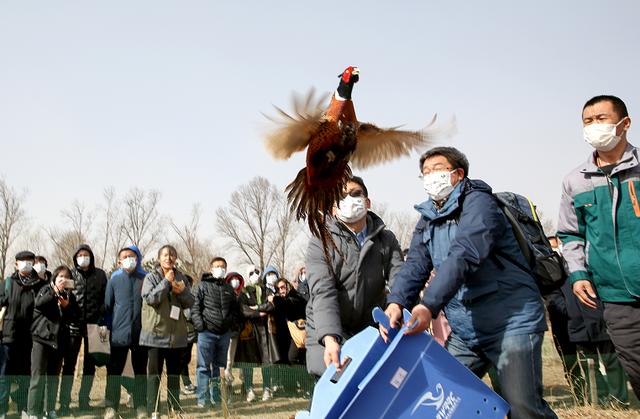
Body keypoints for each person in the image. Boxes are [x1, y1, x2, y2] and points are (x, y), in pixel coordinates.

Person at [382, 147, 556, 419]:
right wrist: (396, 301)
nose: (430, 176)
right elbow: (415, 263)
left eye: (437, 169)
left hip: (511, 320)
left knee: (523, 407)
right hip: (466, 329)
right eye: (425, 173)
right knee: (440, 401)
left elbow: (465, 253)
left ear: (458, 173)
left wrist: (428, 306)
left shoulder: (480, 204)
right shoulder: (427, 218)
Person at [558, 94, 640, 399]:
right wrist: (578, 275)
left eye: (601, 119)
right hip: (615, 295)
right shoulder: (575, 181)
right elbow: (570, 235)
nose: (594, 126)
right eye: (588, 122)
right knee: (635, 368)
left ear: (624, 124)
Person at [305, 175, 403, 377]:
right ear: (333, 208)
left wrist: (396, 306)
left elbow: (400, 277)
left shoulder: (386, 239)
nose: (349, 199)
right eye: (341, 196)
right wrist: (331, 338)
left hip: (370, 327)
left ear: (367, 202)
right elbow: (323, 291)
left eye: (355, 194)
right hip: (327, 328)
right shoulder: (320, 242)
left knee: (381, 383)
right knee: (339, 382)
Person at [140, 245, 194, 418]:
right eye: (165, 255)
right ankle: (153, 410)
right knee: (154, 376)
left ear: (175, 258)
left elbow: (190, 302)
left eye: (172, 255)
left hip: (176, 336)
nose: (168, 258)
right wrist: (166, 282)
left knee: (173, 375)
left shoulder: (182, 278)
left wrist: (182, 291)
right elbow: (150, 298)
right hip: (155, 335)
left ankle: (174, 408)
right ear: (159, 258)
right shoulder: (151, 277)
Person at [59, 244, 108, 412]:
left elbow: (105, 298)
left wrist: (101, 316)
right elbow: (65, 297)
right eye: (80, 255)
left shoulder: (100, 275)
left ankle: (83, 400)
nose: (83, 257)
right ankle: (64, 402)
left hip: (95, 326)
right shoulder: (70, 274)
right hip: (73, 325)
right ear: (75, 258)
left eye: (86, 254)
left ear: (91, 257)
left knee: (90, 365)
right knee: (69, 364)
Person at [27, 265, 78, 419]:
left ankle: (49, 410)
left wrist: (67, 306)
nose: (63, 279)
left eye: (67, 277)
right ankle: (33, 412)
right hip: (41, 339)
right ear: (54, 278)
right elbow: (40, 304)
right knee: (38, 377)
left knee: (52, 378)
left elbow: (75, 316)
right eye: (60, 276)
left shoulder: (69, 296)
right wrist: (55, 292)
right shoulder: (45, 289)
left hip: (58, 341)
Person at [103, 246, 148, 419]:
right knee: (114, 371)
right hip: (118, 335)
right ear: (119, 261)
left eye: (132, 256)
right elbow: (107, 306)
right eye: (125, 256)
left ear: (137, 259)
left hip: (140, 334)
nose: (129, 259)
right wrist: (106, 327)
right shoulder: (114, 280)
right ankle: (111, 406)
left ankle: (141, 405)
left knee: (140, 372)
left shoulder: (145, 279)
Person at [0, 251, 44, 418]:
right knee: (4, 376)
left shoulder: (39, 285)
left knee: (25, 376)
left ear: (33, 263)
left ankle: (23, 408)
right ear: (16, 264)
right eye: (22, 261)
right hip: (7, 337)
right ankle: (2, 410)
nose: (26, 263)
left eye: (29, 261)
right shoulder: (7, 283)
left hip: (29, 338)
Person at [191, 257, 239, 409]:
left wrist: (230, 323)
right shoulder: (201, 286)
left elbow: (235, 309)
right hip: (206, 333)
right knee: (203, 366)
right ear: (211, 269)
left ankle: (216, 397)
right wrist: (200, 326)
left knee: (218, 367)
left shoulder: (229, 288)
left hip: (224, 334)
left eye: (223, 267)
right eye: (217, 266)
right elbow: (194, 307)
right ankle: (202, 399)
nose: (220, 269)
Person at [237, 266, 279, 402]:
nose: (254, 274)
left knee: (266, 360)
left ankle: (267, 388)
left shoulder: (266, 290)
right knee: (248, 361)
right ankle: (249, 389)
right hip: (249, 330)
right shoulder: (243, 292)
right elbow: (243, 309)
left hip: (265, 330)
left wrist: (257, 307)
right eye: (251, 273)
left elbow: (271, 305)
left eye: (257, 272)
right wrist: (257, 313)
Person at [179, 274, 197, 398]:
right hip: (181, 333)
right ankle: (186, 384)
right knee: (182, 361)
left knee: (186, 359)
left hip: (191, 334)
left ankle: (187, 383)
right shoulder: (178, 297)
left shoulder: (191, 297)